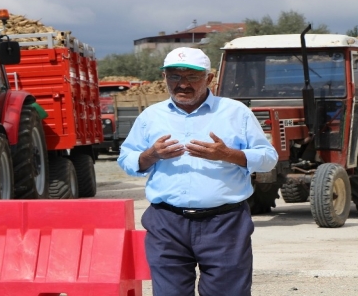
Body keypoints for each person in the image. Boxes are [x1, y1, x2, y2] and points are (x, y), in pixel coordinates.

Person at [117, 47, 278, 295]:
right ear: (164, 78)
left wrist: (227, 154)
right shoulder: (151, 116)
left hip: (224, 224)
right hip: (166, 224)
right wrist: (152, 155)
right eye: (174, 76)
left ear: (209, 78)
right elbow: (127, 158)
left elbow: (268, 158)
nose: (182, 84)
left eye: (192, 76)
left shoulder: (236, 113)